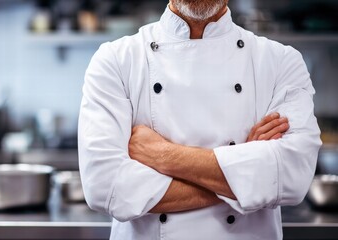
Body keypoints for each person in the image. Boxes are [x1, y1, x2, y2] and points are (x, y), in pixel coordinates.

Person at [78, 0, 322, 239]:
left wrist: (162, 154)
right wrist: (246, 172)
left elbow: (292, 177)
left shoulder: (280, 61)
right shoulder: (115, 61)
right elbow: (105, 187)